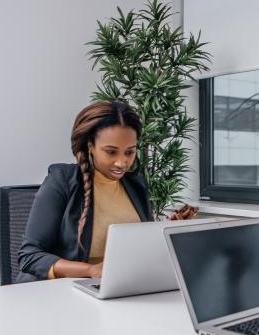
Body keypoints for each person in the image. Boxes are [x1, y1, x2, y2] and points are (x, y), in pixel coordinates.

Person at [17, 100, 196, 282]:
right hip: (65, 291)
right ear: (90, 146)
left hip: (119, 287)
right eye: (111, 152)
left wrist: (166, 231)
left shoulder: (136, 185)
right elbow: (30, 256)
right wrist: (92, 271)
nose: (122, 163)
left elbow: (138, 252)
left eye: (129, 152)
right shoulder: (62, 180)